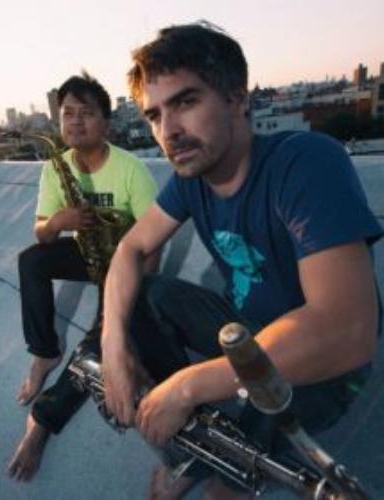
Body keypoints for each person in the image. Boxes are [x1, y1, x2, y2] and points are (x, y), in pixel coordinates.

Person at [100, 22, 383, 500]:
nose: (168, 131)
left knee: (228, 476)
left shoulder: (304, 162)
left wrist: (187, 386)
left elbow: (347, 333)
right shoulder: (191, 176)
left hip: (323, 366)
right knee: (147, 297)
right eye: (154, 114)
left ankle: (225, 473)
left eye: (185, 102)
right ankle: (198, 450)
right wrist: (114, 346)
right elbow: (131, 248)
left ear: (237, 99)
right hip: (244, 332)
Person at [8, 72, 158, 481]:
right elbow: (42, 233)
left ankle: (43, 420)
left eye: (86, 113)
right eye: (67, 113)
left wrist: (134, 293)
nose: (75, 121)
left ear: (106, 122)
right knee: (31, 261)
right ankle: (44, 351)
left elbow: (154, 242)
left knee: (102, 338)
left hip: (124, 260)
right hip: (87, 251)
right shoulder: (54, 168)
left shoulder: (131, 169)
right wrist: (58, 222)